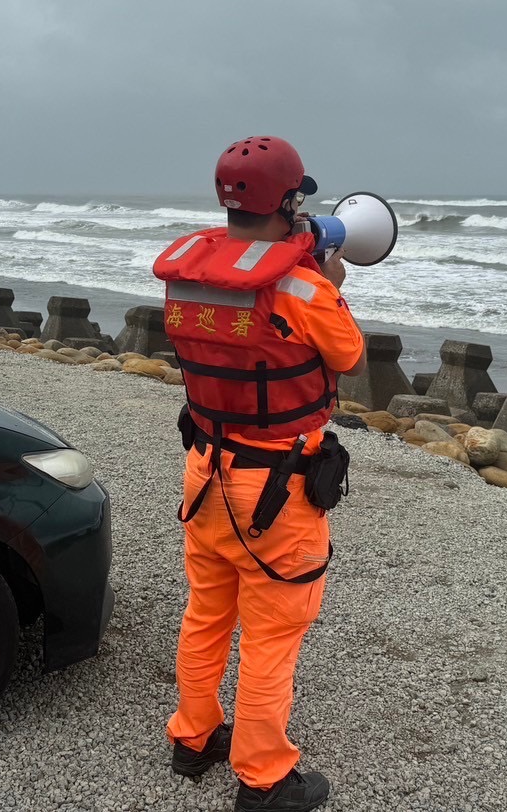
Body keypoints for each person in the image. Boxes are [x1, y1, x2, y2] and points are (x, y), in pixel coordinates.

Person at [153, 136, 365, 812]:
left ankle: (193, 738)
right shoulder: (302, 286)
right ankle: (264, 776)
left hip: (204, 470)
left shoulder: (189, 272)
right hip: (276, 490)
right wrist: (330, 285)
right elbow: (349, 355)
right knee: (272, 635)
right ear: (291, 199)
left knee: (206, 614)